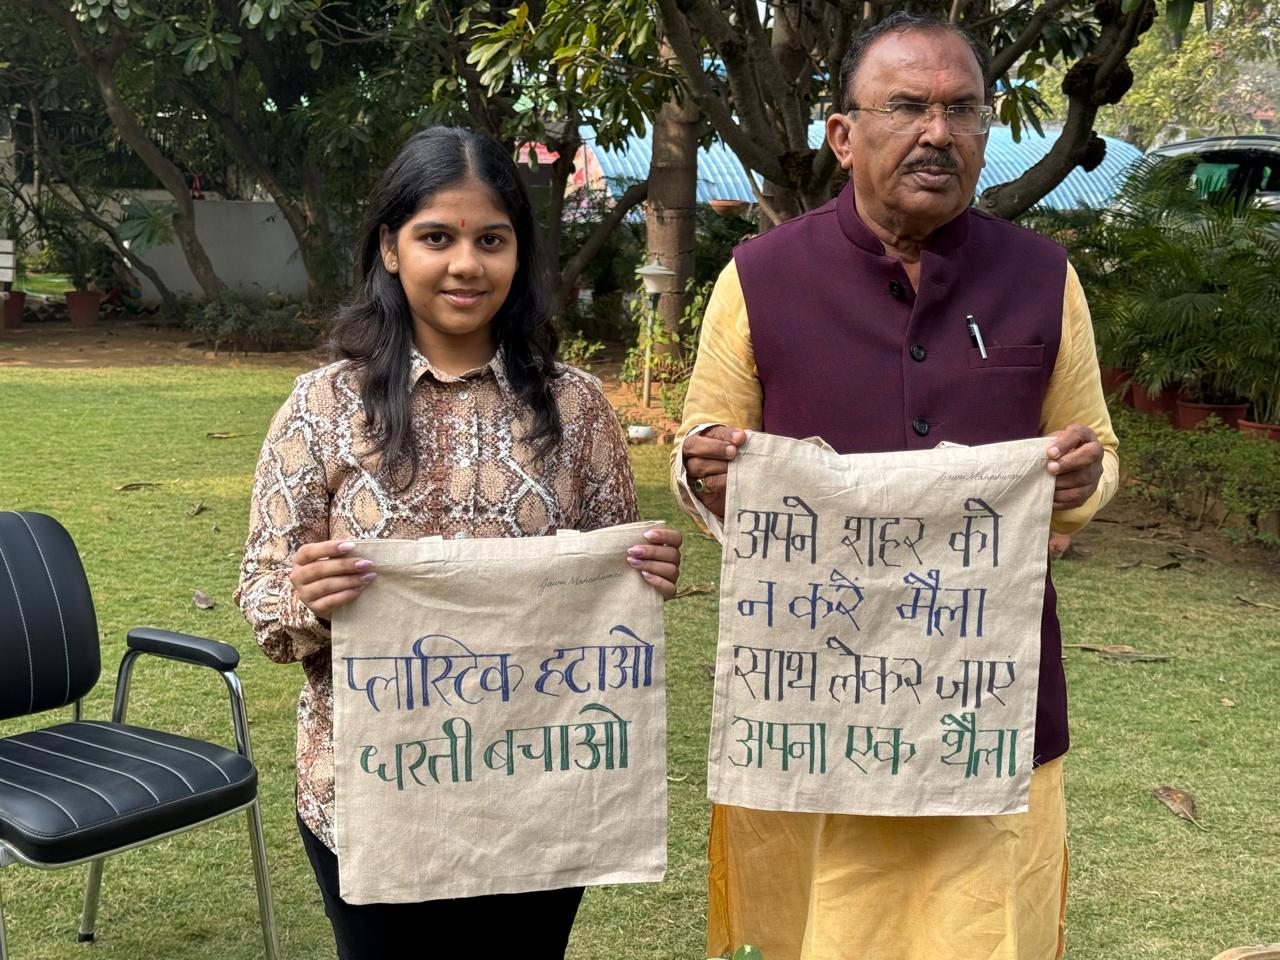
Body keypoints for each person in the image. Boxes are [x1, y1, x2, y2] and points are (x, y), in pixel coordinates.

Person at [673, 13, 1118, 960]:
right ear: (842, 134)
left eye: (964, 110)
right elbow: (703, 446)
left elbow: (1097, 452)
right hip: (813, 712)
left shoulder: (1043, 280)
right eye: (907, 107)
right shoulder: (758, 278)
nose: (938, 133)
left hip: (989, 708)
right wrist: (711, 473)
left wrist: (1080, 479)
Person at [236, 126, 683, 959]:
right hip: (369, 795)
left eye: (491, 240)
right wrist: (310, 598)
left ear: (519, 253)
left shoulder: (577, 408)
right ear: (390, 248)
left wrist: (644, 569)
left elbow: (609, 587)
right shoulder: (322, 408)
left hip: (537, 791)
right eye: (436, 237)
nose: (466, 265)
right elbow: (263, 597)